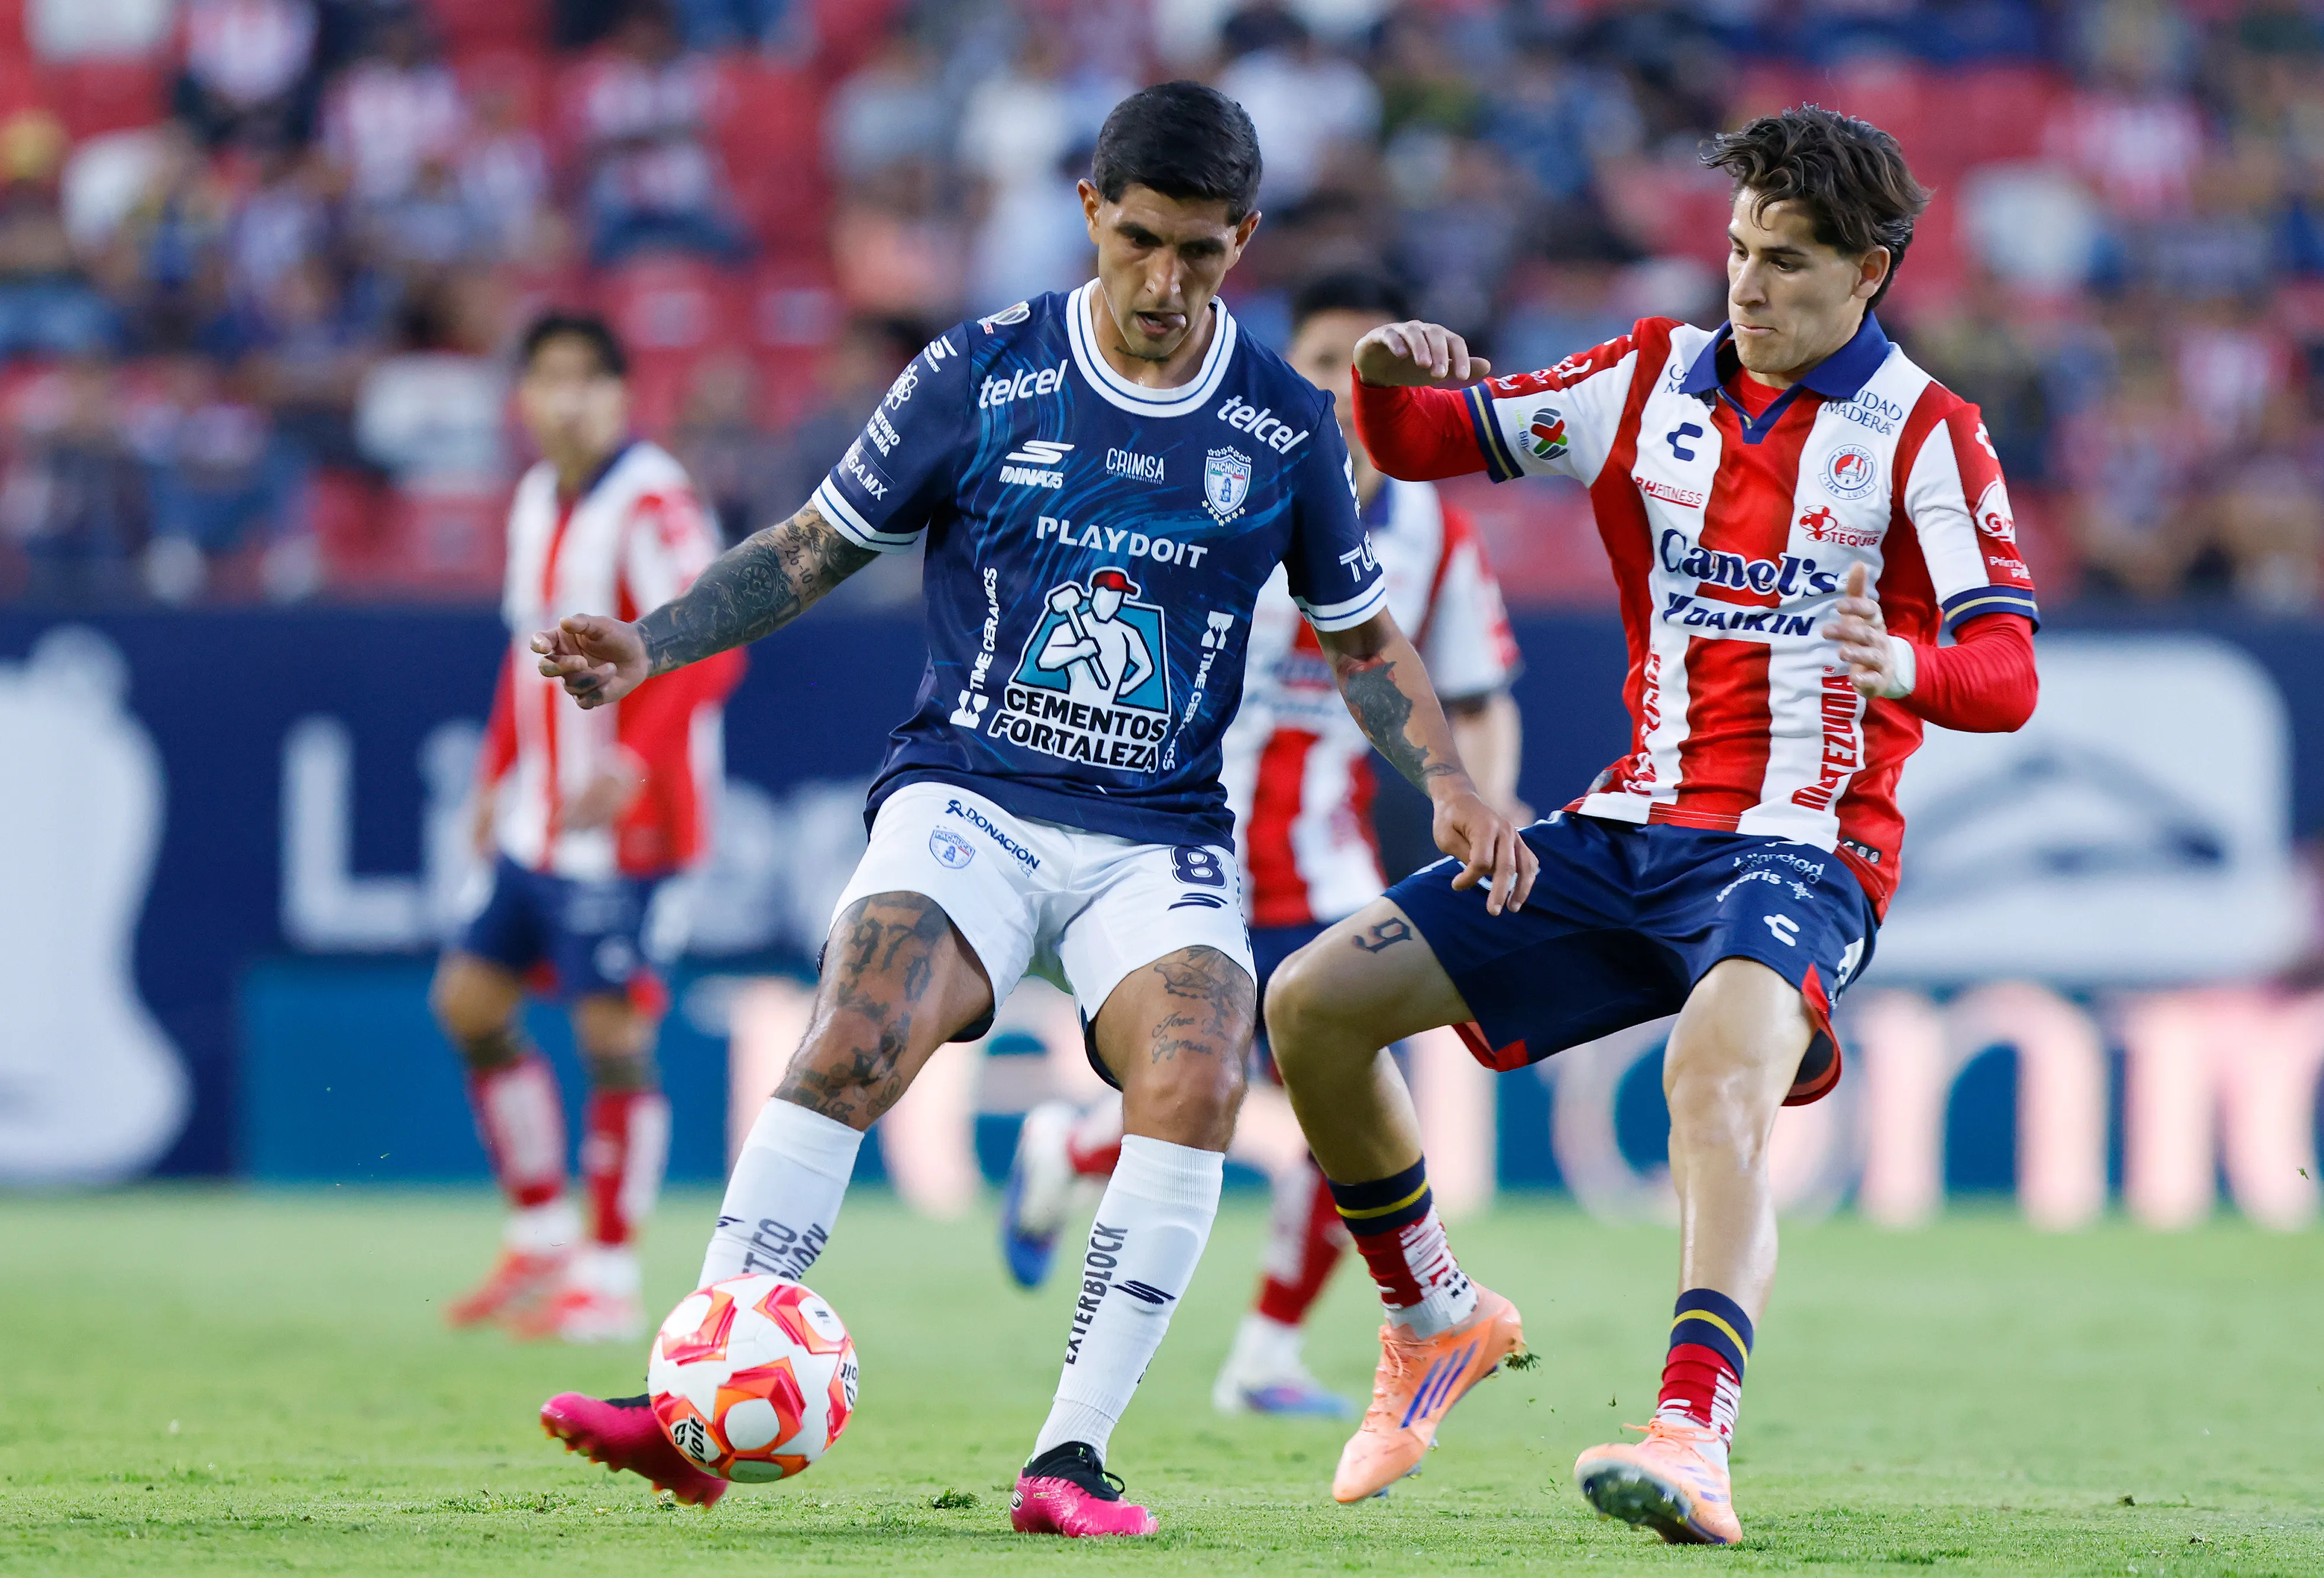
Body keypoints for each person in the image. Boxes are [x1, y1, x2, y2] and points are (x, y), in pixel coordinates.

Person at [526, 82, 1534, 1535]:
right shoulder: (981, 371)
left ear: (1243, 239)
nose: (1165, 282)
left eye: (1200, 251)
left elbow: (1364, 643)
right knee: (860, 1023)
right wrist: (651, 640)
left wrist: (1444, 780)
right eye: (1139, 241)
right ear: (1089, 212)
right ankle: (689, 1404)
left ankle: (1069, 1457)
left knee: (1198, 1069)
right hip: (973, 796)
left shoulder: (1280, 424)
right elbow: (811, 547)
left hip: (1159, 831)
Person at [1260, 106, 2043, 1543]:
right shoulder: (1641, 376)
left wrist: (1903, 665)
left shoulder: (1928, 435)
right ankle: (1431, 1313)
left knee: (1710, 1067)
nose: (1746, 284)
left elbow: (2006, 671)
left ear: (1867, 271)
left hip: (1802, 848)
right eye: (1738, 250)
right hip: (1626, 826)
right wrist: (1379, 374)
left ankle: (1691, 1433)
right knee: (1310, 1003)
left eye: (1786, 262)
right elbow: (1418, 440)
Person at [997, 267, 1527, 1422]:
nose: (1347, 389)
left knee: (1360, 1111)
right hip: (1192, 848)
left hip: (1326, 863)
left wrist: (1489, 796)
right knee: (1205, 1085)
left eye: (1373, 368)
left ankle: (1259, 1352)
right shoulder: (1219, 485)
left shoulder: (1435, 534)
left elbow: (1479, 693)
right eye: (1325, 364)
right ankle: (1078, 1152)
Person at [434, 311, 744, 1344]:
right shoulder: (536, 498)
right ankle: (540, 1236)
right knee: (469, 1000)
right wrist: (496, 773)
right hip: (544, 819)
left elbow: (713, 641)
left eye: (588, 378)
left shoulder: (653, 499)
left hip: (634, 824)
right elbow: (522, 657)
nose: (567, 399)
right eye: (548, 378)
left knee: (613, 1033)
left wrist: (631, 760)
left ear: (622, 394)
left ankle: (608, 1278)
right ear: (522, 398)